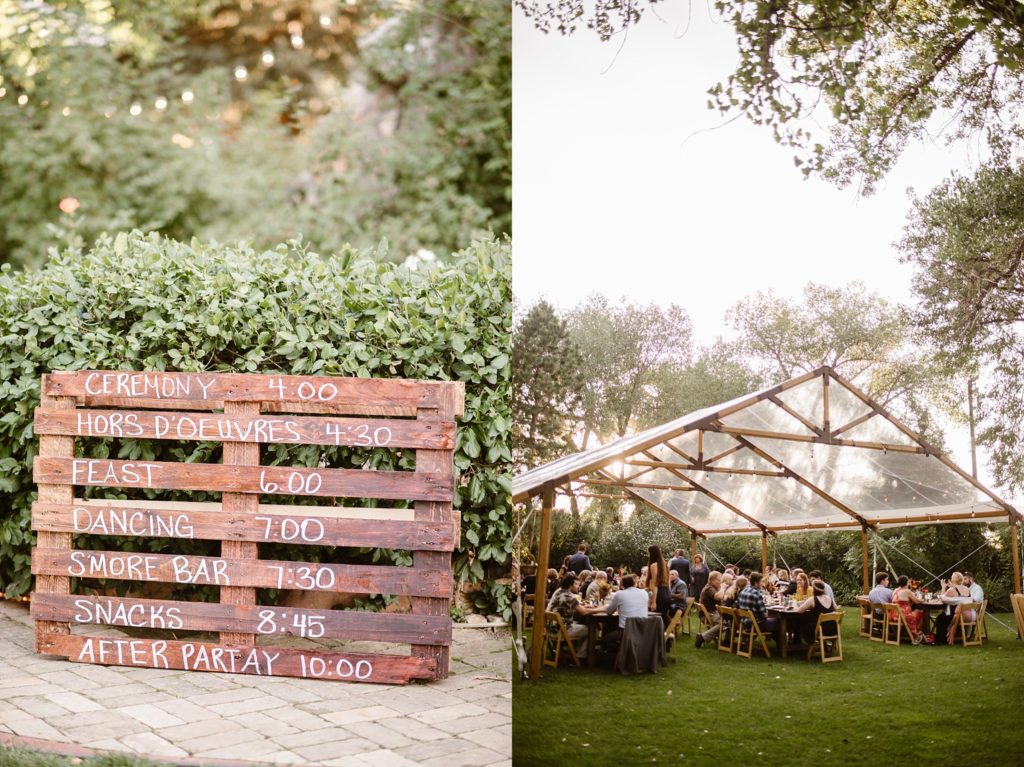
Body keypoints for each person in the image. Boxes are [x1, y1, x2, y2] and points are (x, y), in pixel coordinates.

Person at [546, 573, 604, 658]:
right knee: (595, 629)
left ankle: (579, 651)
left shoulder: (559, 592)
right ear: (570, 585)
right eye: (576, 584)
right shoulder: (569, 596)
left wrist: (588, 606)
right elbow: (584, 612)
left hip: (551, 629)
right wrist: (602, 609)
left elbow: (576, 607)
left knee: (583, 625)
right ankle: (581, 656)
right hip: (562, 631)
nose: (578, 586)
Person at [599, 574, 651, 658]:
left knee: (606, 638)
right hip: (642, 629)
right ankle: (625, 652)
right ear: (634, 583)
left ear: (622, 585)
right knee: (613, 628)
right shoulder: (644, 593)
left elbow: (608, 611)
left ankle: (617, 653)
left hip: (625, 631)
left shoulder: (620, 594)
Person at [794, 579, 839, 645]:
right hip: (833, 628)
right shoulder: (829, 598)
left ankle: (801, 643)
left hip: (819, 629)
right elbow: (836, 608)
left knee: (800, 623)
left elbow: (799, 611)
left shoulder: (813, 599)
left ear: (813, 589)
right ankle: (822, 645)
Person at [735, 572, 778, 638]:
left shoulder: (743, 590)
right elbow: (765, 615)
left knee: (772, 622)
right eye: (761, 582)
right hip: (754, 625)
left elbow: (736, 605)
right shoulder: (756, 594)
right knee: (778, 622)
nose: (762, 584)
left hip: (743, 623)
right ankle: (781, 647)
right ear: (756, 583)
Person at [936, 572, 973, 643]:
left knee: (940, 618)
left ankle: (942, 639)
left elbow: (942, 600)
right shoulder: (967, 589)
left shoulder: (952, 590)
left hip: (955, 615)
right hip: (967, 614)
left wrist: (943, 587)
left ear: (953, 580)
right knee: (943, 616)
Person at [891, 574, 926, 644]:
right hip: (902, 616)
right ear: (907, 582)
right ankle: (917, 634)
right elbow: (917, 601)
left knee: (915, 611)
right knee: (920, 613)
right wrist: (923, 599)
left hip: (893, 615)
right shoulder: (907, 591)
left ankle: (907, 633)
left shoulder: (895, 590)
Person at [694, 570, 723, 648]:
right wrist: (723, 587)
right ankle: (702, 637)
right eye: (719, 580)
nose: (720, 582)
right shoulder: (709, 588)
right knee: (725, 623)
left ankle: (727, 642)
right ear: (712, 580)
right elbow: (718, 597)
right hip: (708, 614)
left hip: (710, 612)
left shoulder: (712, 587)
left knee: (729, 621)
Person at [647, 545, 671, 624]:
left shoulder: (654, 566)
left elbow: (655, 584)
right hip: (666, 593)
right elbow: (669, 583)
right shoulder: (665, 565)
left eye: (649, 553)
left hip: (659, 594)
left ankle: (658, 635)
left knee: (655, 617)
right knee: (663, 616)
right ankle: (666, 634)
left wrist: (653, 601)